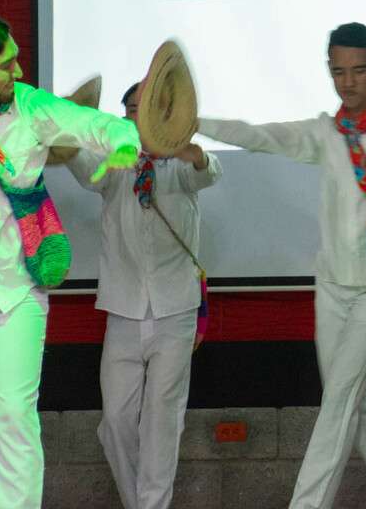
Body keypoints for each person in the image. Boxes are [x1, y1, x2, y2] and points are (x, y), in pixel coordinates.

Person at [198, 22, 366, 509]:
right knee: (354, 410)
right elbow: (257, 136)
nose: (348, 82)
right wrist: (192, 122)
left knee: (337, 404)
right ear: (330, 70)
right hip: (331, 286)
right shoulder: (326, 132)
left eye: (358, 70)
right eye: (339, 72)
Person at [0, 9, 138, 508]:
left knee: (14, 416)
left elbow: (94, 123)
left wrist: (122, 142)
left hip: (15, 291)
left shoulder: (29, 106)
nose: (18, 72)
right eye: (4, 65)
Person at [63, 81, 222, 509]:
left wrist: (192, 151)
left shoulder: (178, 164)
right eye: (133, 109)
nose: (141, 117)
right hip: (123, 308)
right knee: (114, 421)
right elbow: (77, 160)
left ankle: (152, 504)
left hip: (176, 310)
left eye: (150, 109)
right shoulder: (114, 163)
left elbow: (208, 169)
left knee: (161, 420)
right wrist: (67, 131)